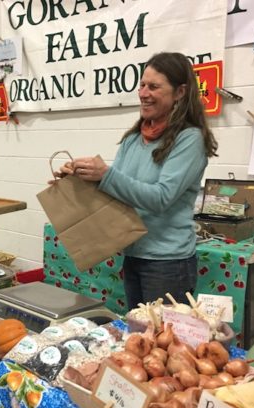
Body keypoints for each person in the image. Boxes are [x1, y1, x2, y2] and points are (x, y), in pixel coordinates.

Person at [54, 52, 218, 309]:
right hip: (133, 254)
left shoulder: (189, 139)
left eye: (153, 86)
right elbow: (116, 192)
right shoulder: (133, 139)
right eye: (142, 85)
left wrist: (106, 174)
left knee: (162, 343)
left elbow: (160, 198)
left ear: (180, 92)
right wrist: (78, 180)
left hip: (168, 263)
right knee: (139, 339)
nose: (143, 93)